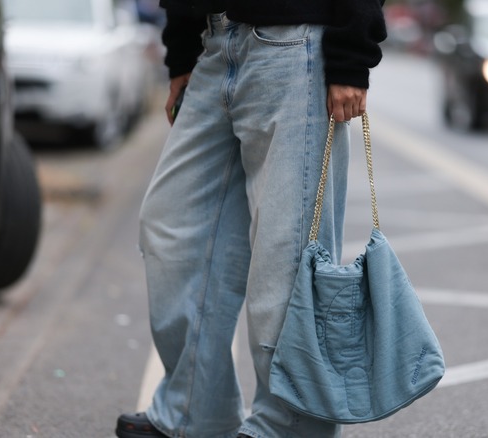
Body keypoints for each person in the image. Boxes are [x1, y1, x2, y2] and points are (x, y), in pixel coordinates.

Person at [116, 1, 386, 437]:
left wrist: (352, 54)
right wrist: (182, 50)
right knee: (172, 232)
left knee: (288, 255)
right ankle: (193, 414)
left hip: (295, 44)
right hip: (214, 45)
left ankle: (290, 425)